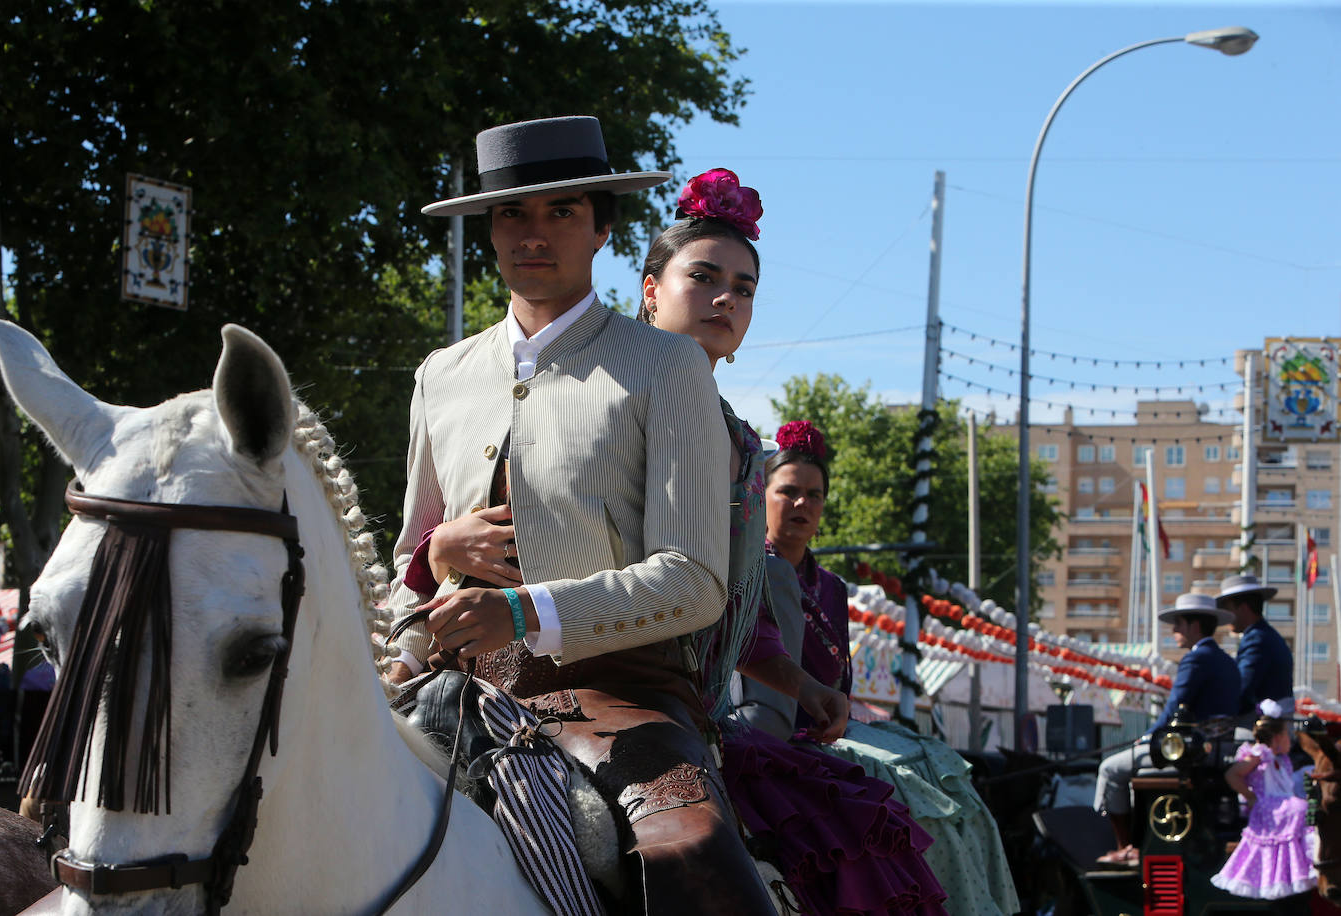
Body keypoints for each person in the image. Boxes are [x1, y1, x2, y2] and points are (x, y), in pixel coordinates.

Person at [385, 117, 774, 914]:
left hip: (621, 694)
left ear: (603, 230)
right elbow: (408, 566)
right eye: (513, 215)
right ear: (489, 230)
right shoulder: (441, 374)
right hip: (451, 690)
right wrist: (403, 643)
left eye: (562, 212)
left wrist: (523, 612)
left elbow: (695, 582)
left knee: (696, 855)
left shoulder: (665, 366)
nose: (534, 234)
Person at [639, 170, 947, 915]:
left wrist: (804, 686)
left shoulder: (741, 441)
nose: (726, 300)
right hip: (604, 699)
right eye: (703, 277)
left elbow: (738, 612)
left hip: (696, 719)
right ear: (651, 289)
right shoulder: (606, 399)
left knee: (866, 829)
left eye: (743, 289)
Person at [761, 420, 1017, 915]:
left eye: (814, 495)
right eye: (787, 491)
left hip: (837, 721)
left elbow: (843, 682)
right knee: (904, 784)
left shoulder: (831, 587)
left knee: (949, 774)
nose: (801, 505)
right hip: (781, 727)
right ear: (762, 494)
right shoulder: (746, 571)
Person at [1094, 593, 1241, 867]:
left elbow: (1174, 710)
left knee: (1110, 769)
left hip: (1190, 754)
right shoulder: (1228, 662)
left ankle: (1127, 847)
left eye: (1179, 624)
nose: (1174, 631)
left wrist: (1145, 739)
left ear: (1194, 626)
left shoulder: (1196, 659)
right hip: (1220, 750)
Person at [1211, 699, 1316, 898]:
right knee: (1300, 809)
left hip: (1281, 804)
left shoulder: (1282, 760)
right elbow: (1232, 774)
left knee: (1304, 807)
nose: (1290, 740)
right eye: (1287, 735)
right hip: (1267, 806)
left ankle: (1303, 865)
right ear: (1276, 738)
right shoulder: (1260, 754)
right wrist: (1250, 797)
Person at [1218, 573, 1294, 717]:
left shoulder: (1256, 639)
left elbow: (1243, 688)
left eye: (1228, 608)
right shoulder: (1264, 634)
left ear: (1243, 608)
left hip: (1262, 729)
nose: (1227, 616)